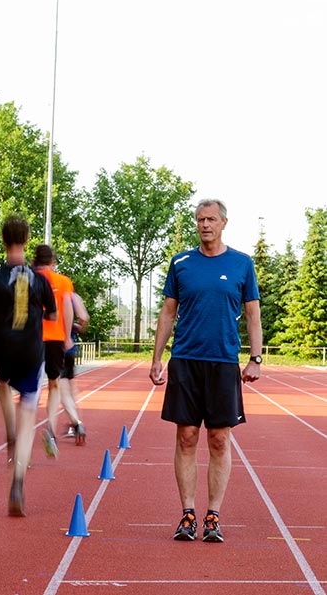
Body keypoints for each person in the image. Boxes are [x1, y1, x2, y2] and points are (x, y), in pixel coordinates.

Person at [150, 198, 262, 543]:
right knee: (186, 437)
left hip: (224, 362)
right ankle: (187, 513)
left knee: (219, 439)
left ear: (224, 223)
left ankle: (213, 515)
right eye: (200, 219)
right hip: (185, 360)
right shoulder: (181, 263)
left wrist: (255, 358)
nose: (205, 225)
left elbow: (254, 314)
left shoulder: (242, 264)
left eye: (211, 219)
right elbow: (168, 312)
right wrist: (157, 357)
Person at [0, 216, 56, 517]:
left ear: (3, 240)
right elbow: (51, 316)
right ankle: (18, 483)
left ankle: (9, 432)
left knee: (0, 383)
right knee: (29, 415)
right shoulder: (40, 280)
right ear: (26, 239)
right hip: (30, 352)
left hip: (2, 351)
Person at [32, 244, 84, 453]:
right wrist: (66, 337)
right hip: (55, 339)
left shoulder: (29, 279)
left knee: (31, 388)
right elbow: (68, 309)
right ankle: (51, 429)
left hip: (32, 339)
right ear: (52, 262)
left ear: (35, 262)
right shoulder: (63, 282)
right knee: (55, 386)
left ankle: (24, 432)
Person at [62, 291, 89, 440]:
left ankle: (77, 423)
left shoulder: (49, 292)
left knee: (62, 391)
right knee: (72, 389)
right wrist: (76, 327)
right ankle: (76, 422)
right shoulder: (73, 296)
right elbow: (84, 318)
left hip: (55, 347)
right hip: (70, 348)